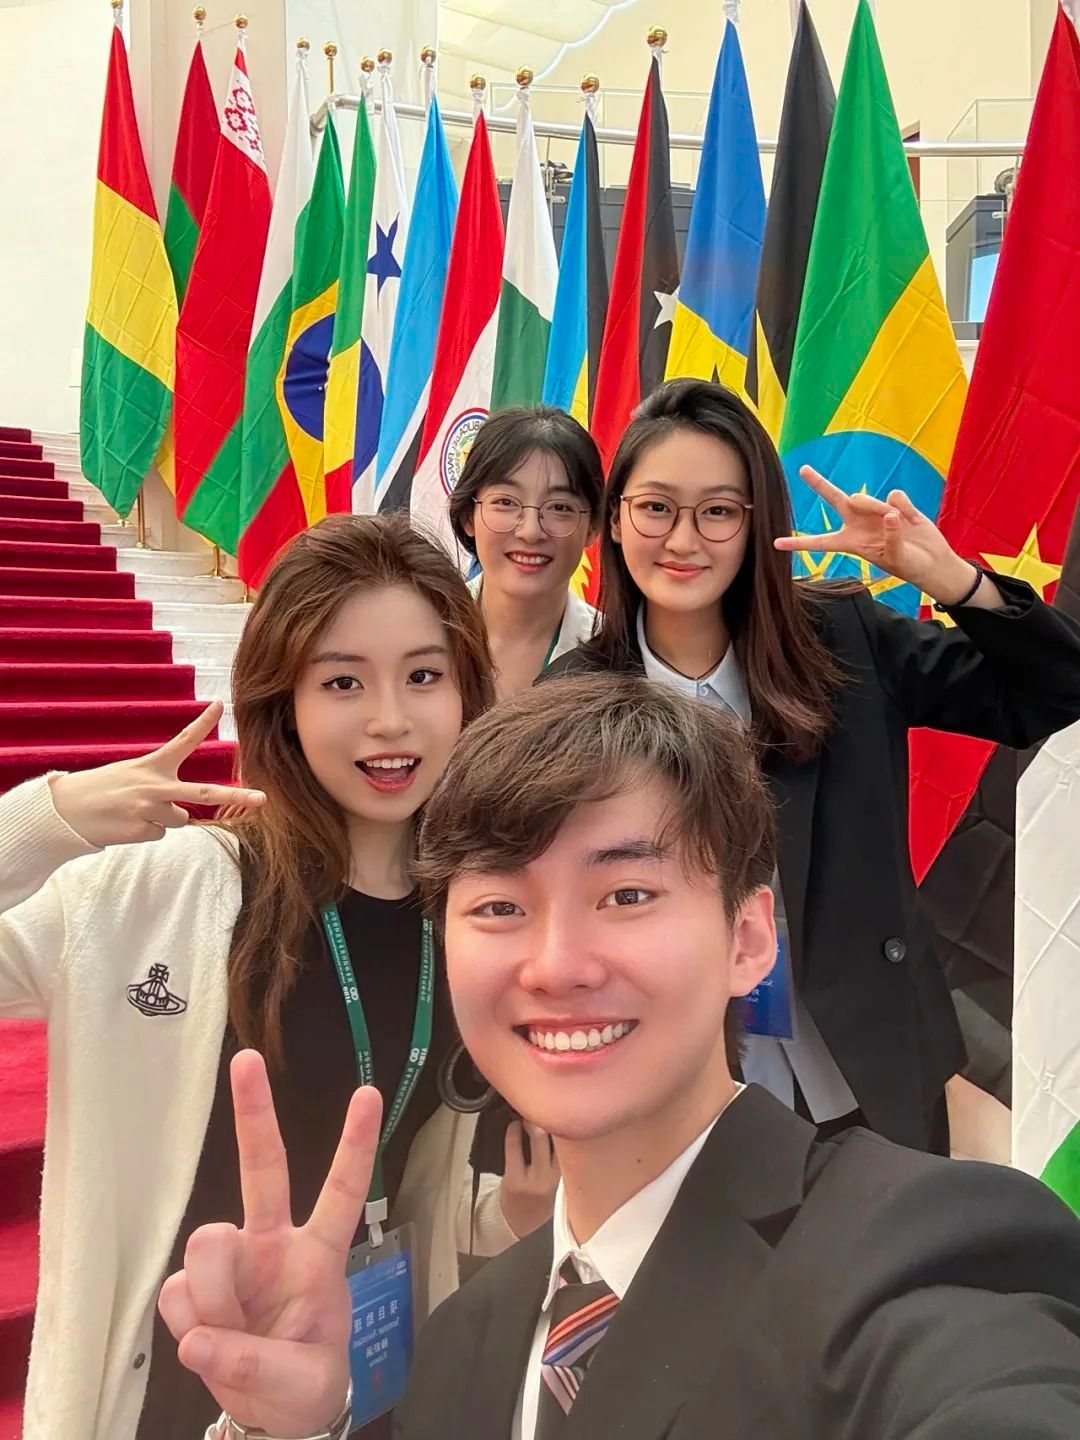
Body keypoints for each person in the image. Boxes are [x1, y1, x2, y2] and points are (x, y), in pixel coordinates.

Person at [158, 676, 1080, 1440]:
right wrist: (295, 1428)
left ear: (749, 938)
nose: (556, 966)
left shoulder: (919, 1252)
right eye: (499, 908)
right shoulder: (465, 1341)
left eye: (627, 894)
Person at [0, 514, 555, 1440]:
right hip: (172, 1379)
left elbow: (417, 1174)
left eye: (424, 676)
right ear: (283, 701)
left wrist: (508, 1216)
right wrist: (48, 817)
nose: (390, 719)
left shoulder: (470, 913)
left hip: (358, 1375)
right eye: (343, 682)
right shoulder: (168, 891)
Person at [542, 378, 1080, 1154]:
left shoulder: (839, 639)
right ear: (617, 520)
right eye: (656, 508)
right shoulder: (573, 700)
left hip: (872, 1064)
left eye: (718, 512)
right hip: (676, 1082)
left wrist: (951, 580)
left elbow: (1054, 691)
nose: (683, 540)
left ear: (757, 523)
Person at [447, 407, 602, 697]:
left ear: (593, 526)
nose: (530, 532)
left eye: (559, 507)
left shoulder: (617, 660)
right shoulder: (425, 632)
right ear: (469, 515)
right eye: (506, 502)